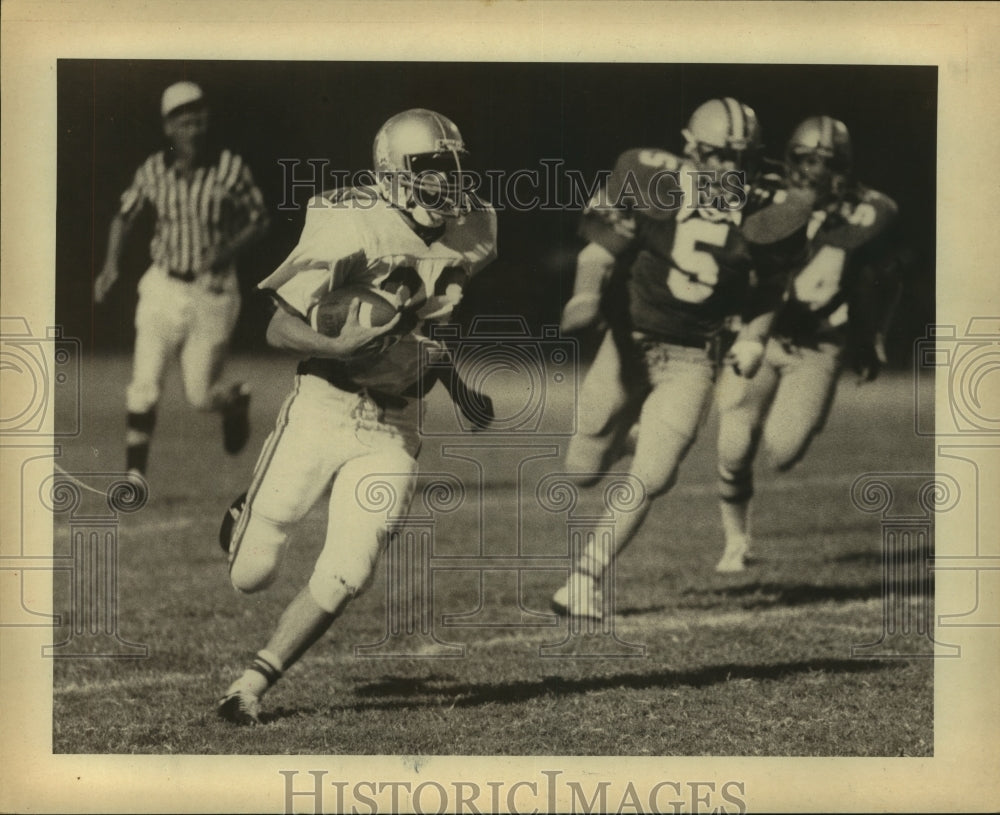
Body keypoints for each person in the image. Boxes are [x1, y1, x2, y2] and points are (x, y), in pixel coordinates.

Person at [215, 108, 498, 725]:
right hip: (323, 402)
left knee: (351, 568)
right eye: (433, 168)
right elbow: (277, 324)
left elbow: (422, 326)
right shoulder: (348, 218)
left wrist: (452, 379)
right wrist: (340, 344)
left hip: (396, 425)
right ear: (394, 171)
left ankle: (251, 684)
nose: (450, 180)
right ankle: (246, 515)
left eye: (455, 165)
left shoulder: (476, 226)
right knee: (252, 574)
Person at [550, 98, 814, 620]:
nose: (728, 170)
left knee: (655, 474)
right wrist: (584, 296)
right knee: (581, 471)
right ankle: (631, 434)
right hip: (629, 344)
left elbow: (773, 286)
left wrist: (754, 337)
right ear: (690, 148)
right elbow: (599, 251)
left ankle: (582, 581)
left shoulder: (773, 203)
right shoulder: (649, 175)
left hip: (692, 357)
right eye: (717, 155)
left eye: (740, 157)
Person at [713, 116, 901, 572]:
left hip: (819, 344)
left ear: (846, 167)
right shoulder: (761, 192)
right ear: (788, 158)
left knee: (782, 451)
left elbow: (886, 279)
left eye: (828, 161)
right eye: (806, 159)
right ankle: (736, 542)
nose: (816, 170)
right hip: (764, 334)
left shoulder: (871, 211)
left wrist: (872, 336)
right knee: (734, 441)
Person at [93, 81, 269, 478]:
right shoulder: (154, 170)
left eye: (199, 120)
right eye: (184, 122)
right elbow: (124, 216)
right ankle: (134, 476)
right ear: (169, 127)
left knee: (201, 395)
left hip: (213, 291)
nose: (194, 129)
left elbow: (259, 219)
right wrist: (110, 266)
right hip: (163, 285)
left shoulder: (229, 168)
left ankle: (235, 402)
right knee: (144, 383)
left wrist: (225, 251)